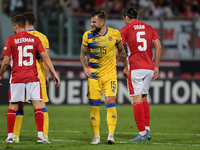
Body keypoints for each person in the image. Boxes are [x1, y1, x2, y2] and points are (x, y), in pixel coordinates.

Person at [0, 14, 60, 144]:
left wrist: (0, 74)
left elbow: (5, 61)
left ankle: (11, 137)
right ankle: (41, 137)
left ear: (16, 26)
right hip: (33, 77)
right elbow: (45, 57)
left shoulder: (11, 39)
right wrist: (54, 73)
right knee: (38, 106)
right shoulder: (35, 39)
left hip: (17, 77)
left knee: (13, 106)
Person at [80, 10, 129, 145]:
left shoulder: (114, 34)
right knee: (94, 106)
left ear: (102, 22)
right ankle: (96, 136)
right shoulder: (87, 35)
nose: (92, 24)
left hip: (110, 75)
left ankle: (111, 135)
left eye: (94, 22)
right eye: (91, 22)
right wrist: (85, 67)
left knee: (110, 102)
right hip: (94, 76)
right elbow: (82, 54)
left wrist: (126, 67)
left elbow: (121, 51)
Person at [120, 7, 162, 141]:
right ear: (136, 16)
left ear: (126, 17)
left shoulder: (125, 29)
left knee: (135, 100)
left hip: (135, 67)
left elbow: (120, 50)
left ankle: (142, 133)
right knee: (144, 97)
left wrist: (125, 67)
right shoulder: (149, 27)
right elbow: (159, 47)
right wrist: (156, 66)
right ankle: (147, 129)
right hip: (149, 67)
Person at [12, 11, 50, 143]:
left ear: (25, 23)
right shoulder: (42, 37)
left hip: (21, 74)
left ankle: (15, 135)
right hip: (37, 76)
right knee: (41, 105)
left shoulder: (18, 37)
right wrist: (46, 76)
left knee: (18, 105)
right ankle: (44, 135)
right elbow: (46, 59)